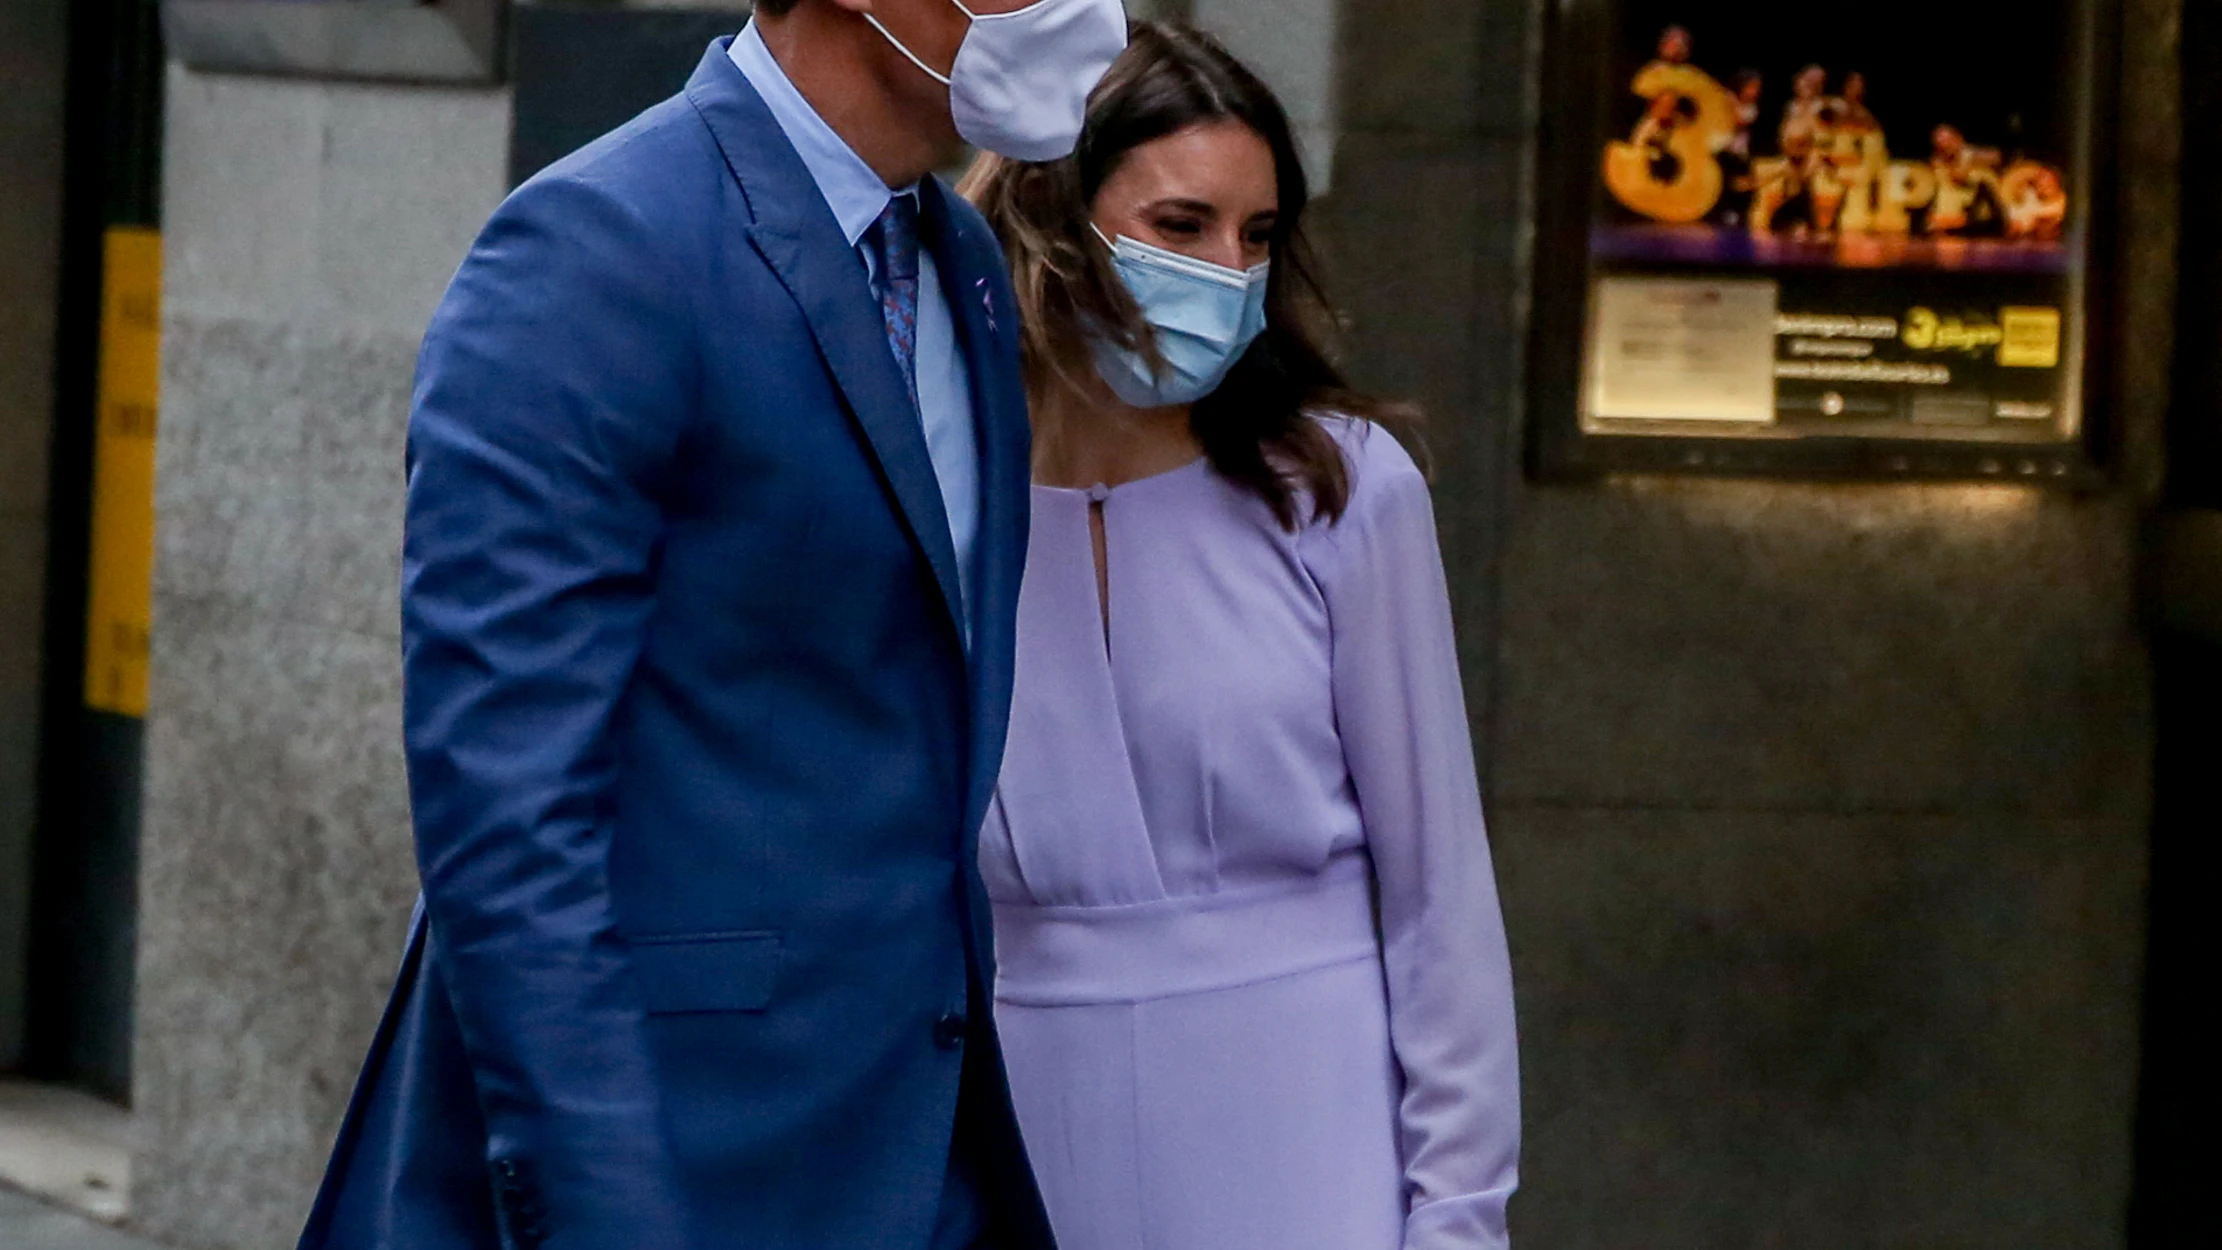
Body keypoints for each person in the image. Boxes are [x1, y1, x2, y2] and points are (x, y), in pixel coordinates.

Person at [295, 2, 1126, 1249]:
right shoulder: (594, 248)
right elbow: (507, 813)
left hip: (908, 1157)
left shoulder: (957, 258)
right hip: (672, 1162)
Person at [960, 23, 1519, 1250]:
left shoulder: (1339, 490)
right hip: (1025, 1126)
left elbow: (1440, 902)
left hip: (1308, 1119)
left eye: (1255, 236)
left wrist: (1457, 1218)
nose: (1226, 268)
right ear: (1057, 209)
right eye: (1181, 224)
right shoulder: (946, 500)